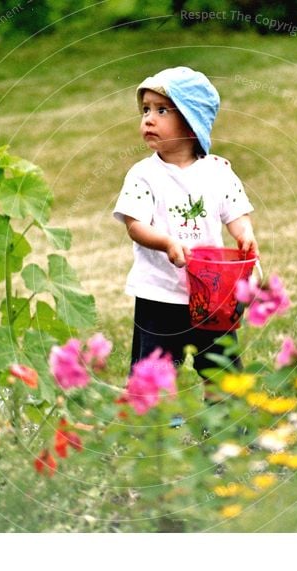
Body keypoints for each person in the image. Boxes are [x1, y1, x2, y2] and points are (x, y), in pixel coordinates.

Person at [113, 66, 258, 375]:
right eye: (145, 110)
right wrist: (166, 243)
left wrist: (245, 235)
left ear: (192, 122)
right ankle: (159, 422)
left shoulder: (218, 172)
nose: (148, 118)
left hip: (212, 293)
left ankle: (229, 422)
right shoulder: (143, 175)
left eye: (162, 110)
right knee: (154, 371)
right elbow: (134, 225)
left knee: (222, 368)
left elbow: (236, 214)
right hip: (159, 294)